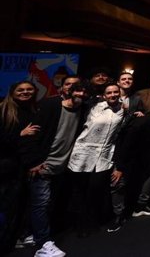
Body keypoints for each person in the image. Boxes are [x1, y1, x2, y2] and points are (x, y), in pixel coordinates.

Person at [20, 83, 88, 257]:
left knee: (44, 204)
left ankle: (28, 234)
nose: (82, 94)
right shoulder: (51, 105)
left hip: (61, 166)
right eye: (78, 90)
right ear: (69, 92)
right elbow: (32, 134)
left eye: (85, 92)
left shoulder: (82, 110)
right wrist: (33, 162)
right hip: (43, 164)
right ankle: (43, 244)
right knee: (41, 204)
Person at [67, 82, 126, 236]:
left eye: (115, 92)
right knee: (79, 191)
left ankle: (90, 222)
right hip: (83, 154)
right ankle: (77, 225)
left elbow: (119, 135)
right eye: (109, 93)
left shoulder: (122, 110)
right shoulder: (93, 106)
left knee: (94, 191)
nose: (113, 95)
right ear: (104, 95)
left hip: (104, 156)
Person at [0, 81, 39, 252]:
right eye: (21, 90)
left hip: (21, 168)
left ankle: (8, 241)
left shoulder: (33, 109)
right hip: (4, 168)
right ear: (12, 92)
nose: (25, 92)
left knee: (15, 207)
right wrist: (19, 134)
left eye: (29, 89)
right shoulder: (3, 109)